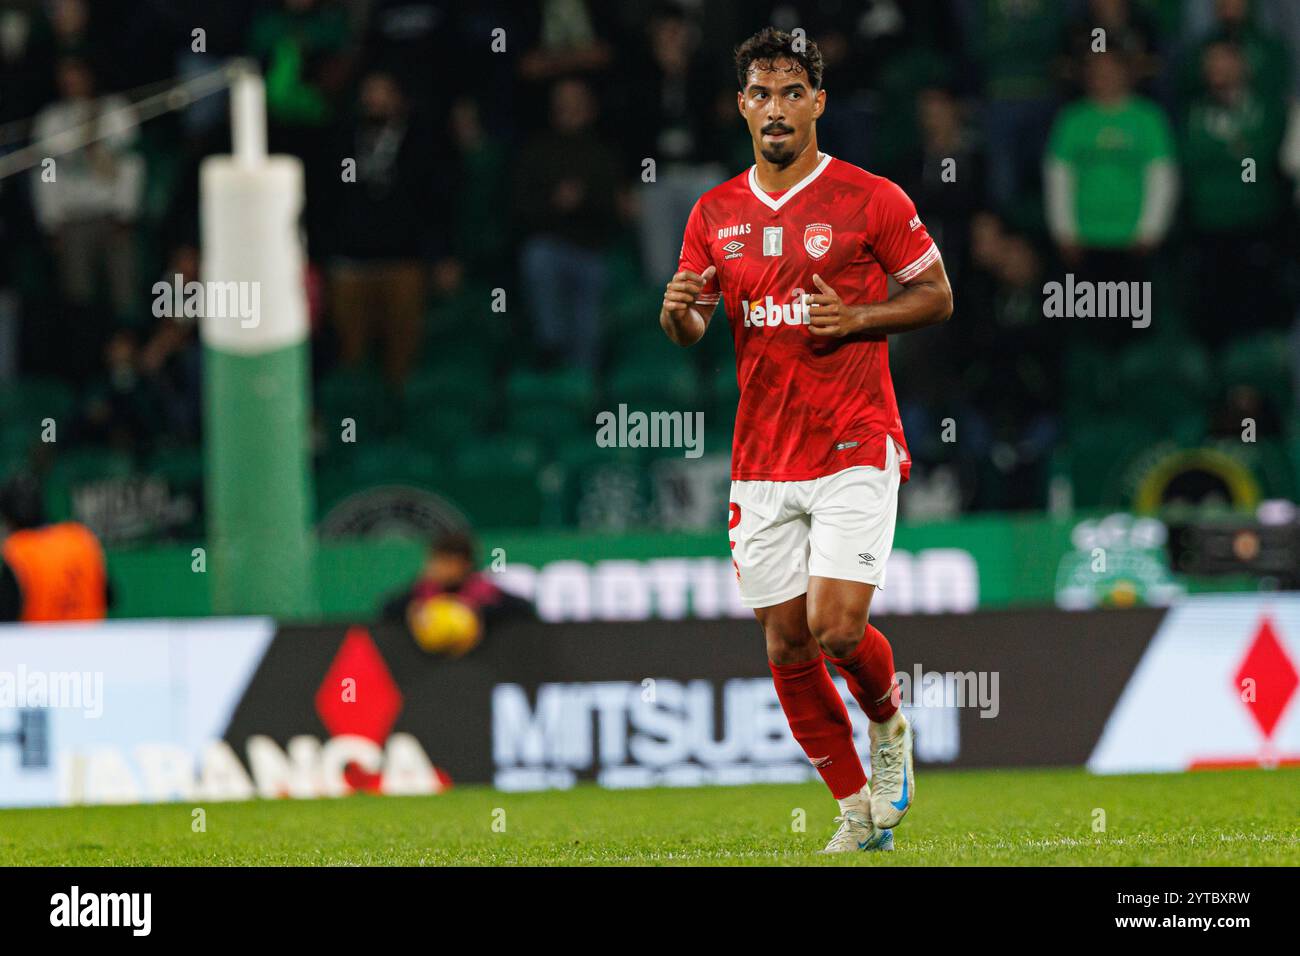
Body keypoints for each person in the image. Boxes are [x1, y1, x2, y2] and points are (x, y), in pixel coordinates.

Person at [659, 29, 952, 853]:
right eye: (761, 93)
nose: (776, 109)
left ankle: (889, 726)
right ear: (741, 106)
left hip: (855, 440)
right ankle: (854, 808)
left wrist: (859, 317)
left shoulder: (870, 198)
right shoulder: (714, 212)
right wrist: (677, 310)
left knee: (837, 628)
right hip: (761, 461)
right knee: (785, 642)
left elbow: (937, 295)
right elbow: (690, 328)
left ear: (819, 102)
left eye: (793, 92)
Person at [379, 530, 534, 656]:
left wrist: (478, 613)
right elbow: (386, 610)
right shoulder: (421, 591)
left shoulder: (484, 591)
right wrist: (412, 611)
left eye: (445, 562)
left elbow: (524, 609)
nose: (436, 567)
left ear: (464, 564)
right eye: (435, 561)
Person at [0, 473, 111, 623]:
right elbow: (109, 597)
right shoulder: (80, 537)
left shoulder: (17, 549)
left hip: (38, 644)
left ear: (8, 519)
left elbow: (7, 614)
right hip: (90, 641)